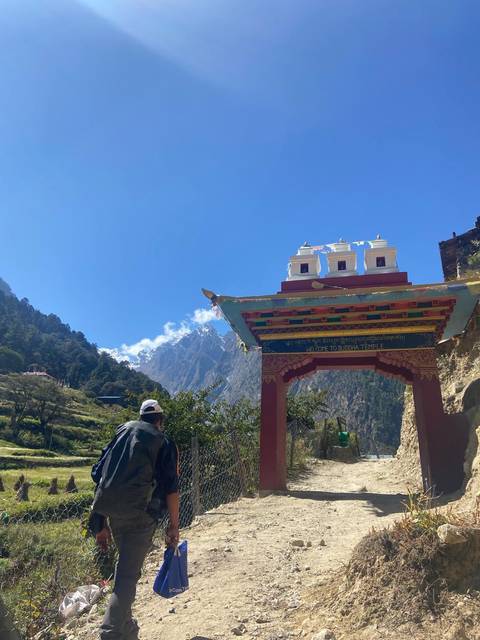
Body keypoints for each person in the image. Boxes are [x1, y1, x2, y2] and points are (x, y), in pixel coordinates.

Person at [89, 399, 180, 640]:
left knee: (125, 568)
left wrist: (100, 523)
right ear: (160, 421)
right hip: (141, 515)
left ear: (141, 417)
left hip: (112, 513)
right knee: (127, 577)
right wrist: (173, 526)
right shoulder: (163, 442)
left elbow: (98, 475)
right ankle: (109, 632)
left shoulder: (123, 432)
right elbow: (171, 488)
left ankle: (128, 631)